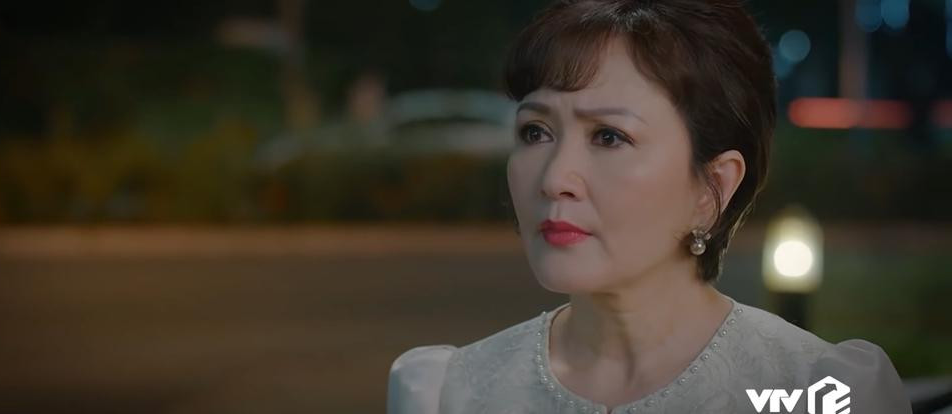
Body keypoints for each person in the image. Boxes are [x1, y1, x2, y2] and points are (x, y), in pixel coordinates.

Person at [387, 1, 912, 413]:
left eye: (609, 136)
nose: (554, 179)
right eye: (535, 131)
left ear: (712, 187)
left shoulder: (817, 392)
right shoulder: (451, 392)